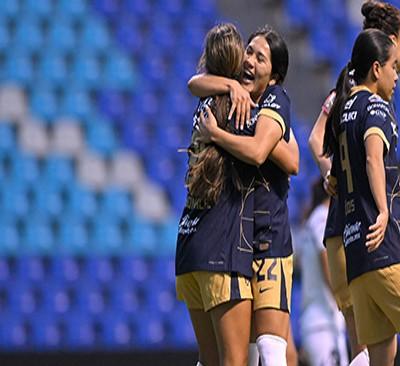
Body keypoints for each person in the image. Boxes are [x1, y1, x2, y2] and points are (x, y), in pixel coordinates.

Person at [324, 28, 400, 366]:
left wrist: (397, 188)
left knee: (380, 359)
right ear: (376, 68)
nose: (397, 76)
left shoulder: (342, 109)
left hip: (356, 256)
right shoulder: (375, 106)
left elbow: (334, 180)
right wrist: (383, 209)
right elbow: (372, 157)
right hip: (385, 242)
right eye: (394, 67)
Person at [308, 2, 400, 363]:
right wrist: (332, 174)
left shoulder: (366, 87)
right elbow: (318, 138)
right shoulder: (357, 85)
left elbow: (350, 152)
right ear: (390, 42)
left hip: (346, 229)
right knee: (380, 343)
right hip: (358, 226)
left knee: (376, 347)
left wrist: (391, 185)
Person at [191, 25, 298, 366]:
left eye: (259, 57)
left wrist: (219, 135)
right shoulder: (236, 91)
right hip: (236, 238)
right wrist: (231, 84)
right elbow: (194, 83)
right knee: (240, 350)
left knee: (268, 347)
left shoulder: (275, 101)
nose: (249, 60)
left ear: (275, 76)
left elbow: (284, 157)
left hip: (268, 236)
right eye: (249, 51)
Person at [175, 23, 256, 366]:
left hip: (189, 244)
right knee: (234, 360)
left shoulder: (205, 105)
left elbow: (194, 83)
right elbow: (270, 154)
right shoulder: (238, 108)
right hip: (221, 247)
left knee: (208, 359)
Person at [298, 178, 348, 366]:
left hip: (326, 323)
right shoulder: (322, 217)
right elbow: (326, 257)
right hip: (322, 324)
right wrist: (343, 298)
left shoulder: (317, 217)